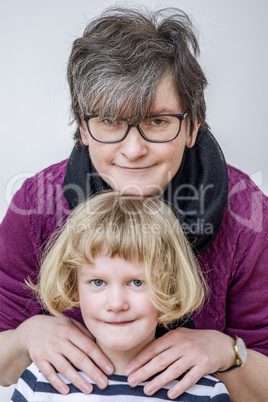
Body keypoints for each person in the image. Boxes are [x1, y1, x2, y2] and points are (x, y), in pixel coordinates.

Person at [0, 6, 267, 401]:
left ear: (192, 126)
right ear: (82, 128)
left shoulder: (249, 216)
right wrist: (25, 336)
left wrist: (228, 353)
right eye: (109, 121)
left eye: (158, 122)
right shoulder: (36, 206)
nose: (133, 150)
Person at [11, 192, 230, 401]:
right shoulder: (39, 380)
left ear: (169, 286)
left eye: (137, 282)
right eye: (98, 282)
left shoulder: (207, 391)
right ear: (73, 285)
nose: (116, 304)